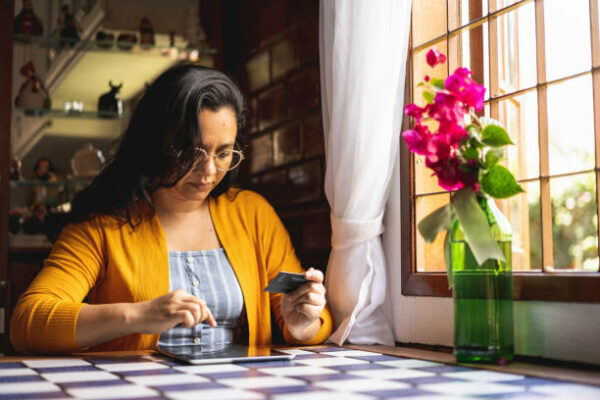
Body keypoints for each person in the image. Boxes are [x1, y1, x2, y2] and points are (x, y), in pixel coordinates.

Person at [10, 65, 333, 354]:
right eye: (193, 153)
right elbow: (29, 322)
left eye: (223, 154)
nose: (208, 171)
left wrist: (301, 323)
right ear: (157, 144)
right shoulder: (104, 225)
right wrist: (140, 315)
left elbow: (301, 319)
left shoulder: (252, 213)